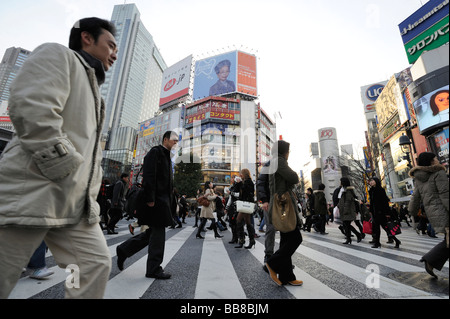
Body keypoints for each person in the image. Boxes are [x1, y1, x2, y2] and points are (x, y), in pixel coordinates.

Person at [0, 17, 117, 299]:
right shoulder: (59, 54)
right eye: (110, 45)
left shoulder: (96, 95)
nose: (114, 54)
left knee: (93, 265)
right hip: (32, 191)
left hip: (73, 205)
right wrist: (65, 166)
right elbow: (32, 107)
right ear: (87, 38)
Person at [116, 131, 178, 280]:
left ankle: (124, 250)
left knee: (152, 234)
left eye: (177, 141)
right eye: (174, 140)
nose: (176, 143)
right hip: (155, 201)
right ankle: (153, 269)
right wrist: (150, 198)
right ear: (165, 140)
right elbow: (149, 175)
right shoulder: (155, 152)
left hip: (162, 201)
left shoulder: (166, 156)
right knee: (158, 234)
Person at [265, 140, 303, 286]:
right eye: (289, 150)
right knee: (295, 238)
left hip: (280, 203)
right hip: (283, 204)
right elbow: (294, 177)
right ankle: (272, 263)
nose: (289, 153)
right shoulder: (280, 161)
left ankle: (287, 276)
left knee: (286, 239)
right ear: (284, 151)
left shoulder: (274, 161)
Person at [408, 152, 449, 279]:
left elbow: (415, 197)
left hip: (434, 213)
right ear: (431, 161)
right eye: (435, 158)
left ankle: (430, 261)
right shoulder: (438, 173)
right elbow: (445, 194)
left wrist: (412, 212)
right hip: (445, 211)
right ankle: (430, 260)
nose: (437, 159)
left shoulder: (419, 178)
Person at [368, 177, 401, 248]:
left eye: (372, 181)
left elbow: (385, 202)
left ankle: (378, 243)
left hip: (381, 212)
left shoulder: (380, 190)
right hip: (375, 213)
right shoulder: (371, 191)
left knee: (384, 228)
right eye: (370, 181)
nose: (371, 182)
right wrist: (370, 211)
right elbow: (372, 203)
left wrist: (387, 213)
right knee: (383, 228)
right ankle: (396, 241)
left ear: (376, 181)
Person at [256, 159, 275, 267]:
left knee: (286, 230)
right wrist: (264, 200)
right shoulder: (269, 164)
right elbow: (261, 182)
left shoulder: (284, 164)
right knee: (271, 228)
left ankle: (283, 257)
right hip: (270, 201)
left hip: (282, 201)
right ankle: (268, 255)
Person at [235, 168, 257, 249]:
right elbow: (237, 190)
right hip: (245, 204)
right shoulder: (244, 181)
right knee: (248, 222)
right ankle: (251, 240)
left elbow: (246, 191)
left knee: (238, 220)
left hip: (246, 204)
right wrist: (238, 183)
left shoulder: (249, 182)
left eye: (241, 173)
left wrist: (240, 182)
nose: (240, 175)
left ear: (244, 174)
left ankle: (242, 240)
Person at [338, 177, 362, 245]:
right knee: (346, 225)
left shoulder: (347, 191)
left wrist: (345, 210)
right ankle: (349, 238)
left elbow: (348, 201)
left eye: (341, 181)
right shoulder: (343, 190)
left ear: (343, 182)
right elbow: (341, 200)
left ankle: (357, 235)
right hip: (344, 210)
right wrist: (338, 206)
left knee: (347, 225)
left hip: (348, 211)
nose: (340, 183)